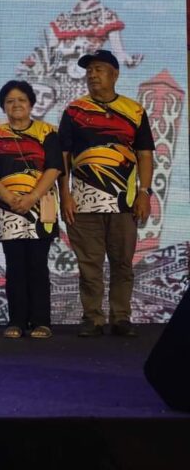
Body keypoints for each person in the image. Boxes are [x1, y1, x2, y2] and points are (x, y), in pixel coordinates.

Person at [58, 49, 154, 337]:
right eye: (89, 70)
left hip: (125, 203)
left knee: (122, 263)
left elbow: (145, 155)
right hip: (84, 203)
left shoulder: (134, 111)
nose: (92, 74)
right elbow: (63, 156)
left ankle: (121, 317)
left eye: (99, 69)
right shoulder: (74, 111)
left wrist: (144, 192)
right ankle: (93, 318)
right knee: (89, 265)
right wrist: (65, 195)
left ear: (115, 74)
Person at [0, 80, 63, 339]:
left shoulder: (47, 132)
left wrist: (32, 197)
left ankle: (41, 321)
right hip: (7, 209)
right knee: (15, 266)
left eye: (21, 100)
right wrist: (9, 197)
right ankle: (16, 321)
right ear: (3, 107)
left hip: (41, 207)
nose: (16, 105)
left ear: (31, 103)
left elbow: (54, 168)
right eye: (10, 101)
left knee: (38, 265)